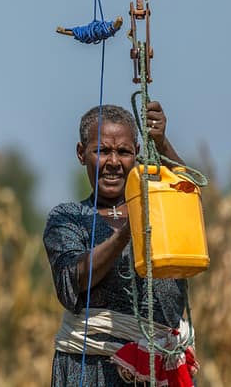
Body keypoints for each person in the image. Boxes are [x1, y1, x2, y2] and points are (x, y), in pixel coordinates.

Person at [43, 102, 198, 387]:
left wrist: (162, 144)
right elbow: (73, 281)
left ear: (137, 154)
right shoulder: (67, 217)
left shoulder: (160, 212)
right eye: (102, 151)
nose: (113, 161)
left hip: (162, 369)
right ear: (81, 153)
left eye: (124, 152)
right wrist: (128, 230)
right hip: (91, 370)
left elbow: (188, 198)